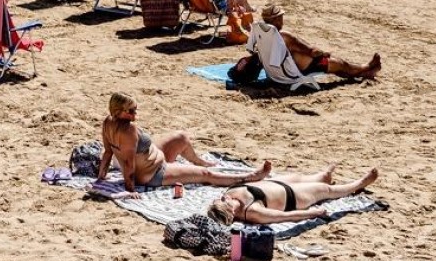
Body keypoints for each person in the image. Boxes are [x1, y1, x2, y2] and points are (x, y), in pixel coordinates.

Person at [96, 92, 269, 192]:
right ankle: (248, 177)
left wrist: (101, 176)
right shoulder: (129, 130)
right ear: (118, 111)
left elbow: (108, 152)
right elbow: (127, 164)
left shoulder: (107, 122)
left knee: (181, 137)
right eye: (131, 111)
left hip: (153, 157)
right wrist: (130, 190)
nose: (135, 115)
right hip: (154, 173)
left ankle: (200, 161)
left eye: (136, 110)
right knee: (205, 175)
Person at [235, 4, 381, 82]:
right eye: (280, 17)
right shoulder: (284, 36)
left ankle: (362, 73)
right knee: (340, 64)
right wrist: (324, 52)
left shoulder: (260, 32)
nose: (282, 20)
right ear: (275, 20)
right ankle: (366, 68)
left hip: (275, 75)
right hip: (291, 74)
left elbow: (252, 45)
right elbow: (312, 51)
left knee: (335, 66)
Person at [206, 167, 382, 225]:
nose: (225, 198)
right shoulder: (252, 212)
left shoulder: (226, 196)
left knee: (302, 177)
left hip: (276, 183)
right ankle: (358, 184)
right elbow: (284, 216)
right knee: (325, 190)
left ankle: (322, 175)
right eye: (226, 203)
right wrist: (313, 213)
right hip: (293, 197)